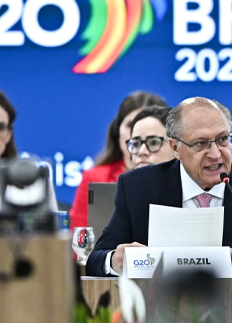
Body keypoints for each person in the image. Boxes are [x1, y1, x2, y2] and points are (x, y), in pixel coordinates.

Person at [86, 97, 232, 278]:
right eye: (201, 143)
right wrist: (115, 260)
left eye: (223, 139)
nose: (216, 154)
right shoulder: (138, 187)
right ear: (175, 147)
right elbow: (96, 260)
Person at [69, 91, 167, 229]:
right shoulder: (95, 179)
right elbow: (80, 242)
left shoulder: (185, 179)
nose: (137, 132)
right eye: (131, 124)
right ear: (117, 131)